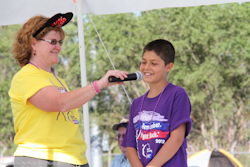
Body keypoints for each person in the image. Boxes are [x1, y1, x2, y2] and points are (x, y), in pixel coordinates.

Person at [9, 12, 129, 167]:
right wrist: (99, 84)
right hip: (42, 159)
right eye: (53, 41)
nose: (58, 47)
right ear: (33, 43)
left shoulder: (58, 80)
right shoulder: (26, 76)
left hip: (72, 159)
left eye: (60, 42)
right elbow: (59, 103)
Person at [122, 39, 192, 167]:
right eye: (143, 62)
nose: (146, 67)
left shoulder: (177, 94)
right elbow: (130, 146)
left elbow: (176, 139)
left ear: (168, 67)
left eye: (154, 63)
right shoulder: (136, 103)